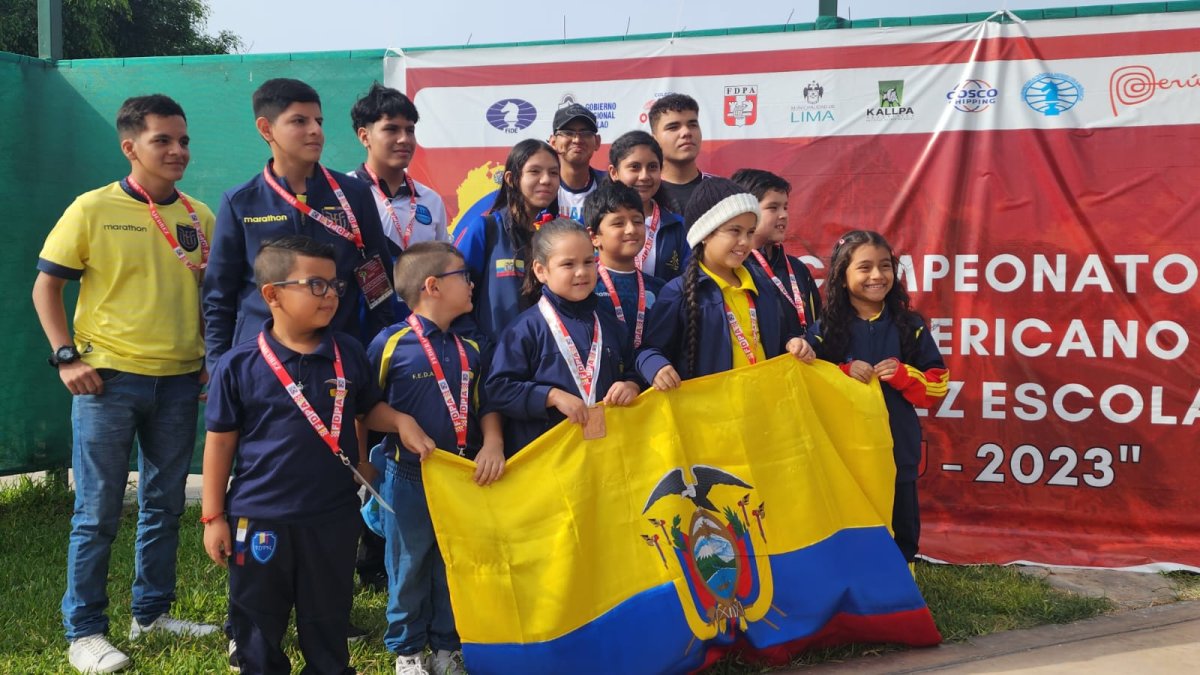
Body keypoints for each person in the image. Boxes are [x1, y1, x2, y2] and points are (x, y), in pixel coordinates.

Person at [31, 93, 218, 674]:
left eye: (183, 140)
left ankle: (152, 613)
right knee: (97, 511)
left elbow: (208, 296)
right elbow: (46, 287)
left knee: (164, 505)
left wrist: (209, 356)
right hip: (107, 383)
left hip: (180, 383)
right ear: (130, 146)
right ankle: (84, 632)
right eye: (163, 140)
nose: (177, 150)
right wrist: (66, 358)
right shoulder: (92, 208)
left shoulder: (199, 216)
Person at [201, 235, 434, 674]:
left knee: (328, 614)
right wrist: (213, 517)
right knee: (257, 618)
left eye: (334, 284)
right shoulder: (238, 364)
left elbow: (365, 409)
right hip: (260, 516)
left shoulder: (347, 351)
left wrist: (399, 422)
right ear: (272, 294)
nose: (330, 295)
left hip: (332, 515)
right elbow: (221, 442)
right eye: (315, 285)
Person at [368, 242, 506, 675]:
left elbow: (486, 404)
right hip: (407, 476)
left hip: (462, 477)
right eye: (463, 276)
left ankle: (447, 647)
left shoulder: (473, 345)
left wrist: (493, 442)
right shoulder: (390, 343)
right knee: (408, 564)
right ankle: (408, 650)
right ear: (433, 286)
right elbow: (364, 408)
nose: (471, 283)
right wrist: (400, 422)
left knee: (453, 562)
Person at [203, 77, 395, 370]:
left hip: (337, 359)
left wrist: (373, 356)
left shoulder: (354, 194)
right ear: (266, 129)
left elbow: (378, 284)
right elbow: (219, 296)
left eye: (319, 121)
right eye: (299, 121)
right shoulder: (240, 201)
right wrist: (218, 366)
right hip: (260, 363)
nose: (315, 130)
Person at [805, 230, 949, 564]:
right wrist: (842, 370)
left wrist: (904, 375)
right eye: (864, 267)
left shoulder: (910, 325)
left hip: (898, 446)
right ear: (842, 277)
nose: (877, 275)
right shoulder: (825, 328)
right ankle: (855, 575)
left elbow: (938, 385)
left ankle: (902, 572)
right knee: (848, 517)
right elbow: (806, 379)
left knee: (902, 521)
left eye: (885, 266)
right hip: (845, 450)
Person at [635, 178, 814, 389]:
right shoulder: (678, 292)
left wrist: (793, 343)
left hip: (764, 403)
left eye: (750, 232)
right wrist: (656, 367)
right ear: (705, 234)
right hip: (711, 407)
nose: (744, 242)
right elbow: (648, 350)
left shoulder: (763, 286)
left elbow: (781, 336)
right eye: (734, 231)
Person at [485, 219, 640, 453]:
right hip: (550, 459)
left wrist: (631, 385)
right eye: (568, 264)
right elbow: (498, 389)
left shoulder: (611, 325)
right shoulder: (524, 330)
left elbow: (632, 370)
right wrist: (550, 396)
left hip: (606, 454)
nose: (581, 272)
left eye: (589, 261)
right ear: (541, 271)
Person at [453, 139, 560, 347]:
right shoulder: (485, 229)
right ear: (511, 179)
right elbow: (453, 298)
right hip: (493, 359)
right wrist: (484, 349)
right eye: (535, 171)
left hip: (544, 358)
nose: (546, 180)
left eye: (554, 173)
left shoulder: (555, 236)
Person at [350, 82, 448, 258]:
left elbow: (442, 262)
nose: (404, 139)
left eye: (410, 130)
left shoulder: (431, 200)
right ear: (365, 137)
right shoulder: (343, 194)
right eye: (391, 129)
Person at [731, 168, 822, 333]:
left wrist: (811, 341)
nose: (783, 215)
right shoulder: (734, 268)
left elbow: (818, 324)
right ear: (746, 211)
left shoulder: (798, 269)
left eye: (785, 207)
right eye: (773, 208)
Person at [584, 182, 666, 354]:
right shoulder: (585, 287)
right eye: (618, 223)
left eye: (637, 221)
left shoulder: (660, 289)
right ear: (594, 237)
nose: (631, 229)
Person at [606, 130, 689, 281]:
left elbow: (688, 280)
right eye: (634, 167)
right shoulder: (594, 222)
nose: (644, 176)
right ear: (614, 173)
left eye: (652, 167)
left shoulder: (679, 227)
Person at [648, 94, 709, 215]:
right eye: (673, 127)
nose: (686, 132)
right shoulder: (643, 194)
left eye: (692, 125)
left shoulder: (723, 191)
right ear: (654, 140)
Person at [549, 103, 605, 222]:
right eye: (568, 133)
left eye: (586, 133)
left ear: (597, 142)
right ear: (553, 142)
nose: (577, 140)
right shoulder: (542, 186)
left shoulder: (611, 186)